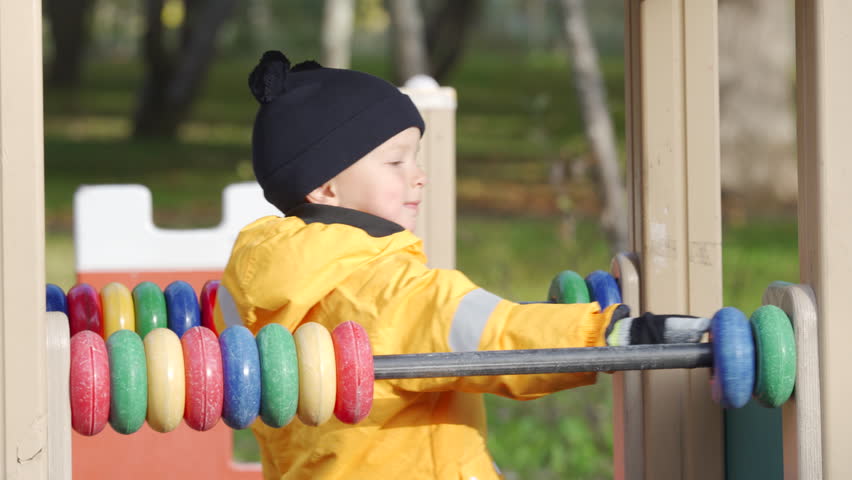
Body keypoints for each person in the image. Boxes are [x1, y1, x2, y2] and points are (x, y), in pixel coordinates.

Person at [215, 50, 709, 480]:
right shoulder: (387, 290)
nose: (419, 177)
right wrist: (611, 335)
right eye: (396, 163)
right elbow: (495, 334)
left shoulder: (257, 289)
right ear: (325, 187)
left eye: (416, 159)